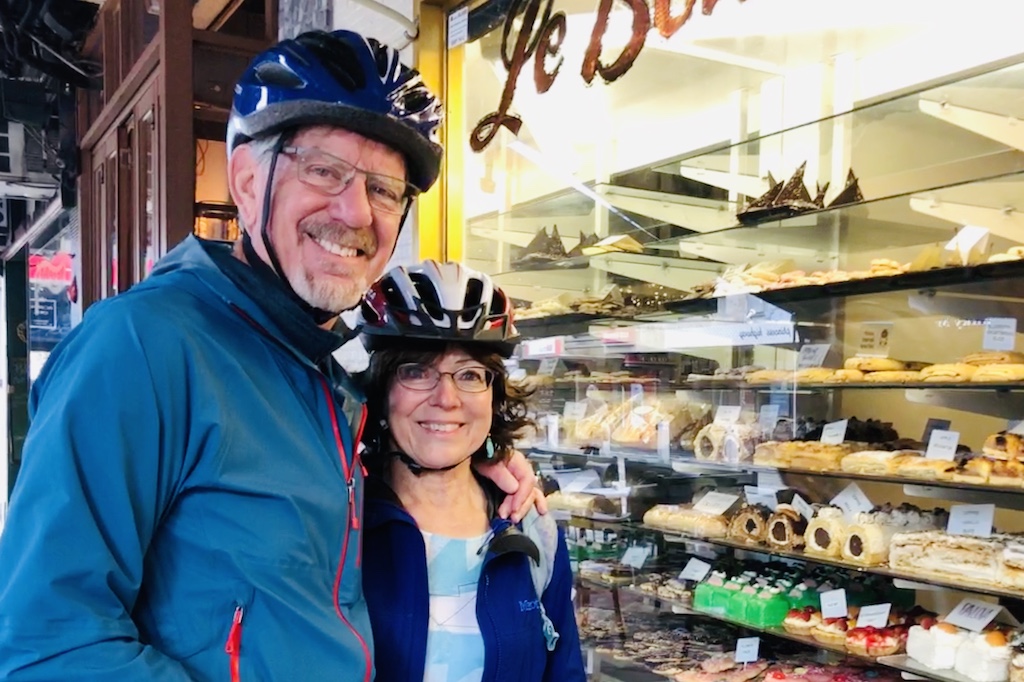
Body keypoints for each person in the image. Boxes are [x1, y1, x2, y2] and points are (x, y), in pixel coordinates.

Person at [0, 30, 541, 681]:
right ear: (247, 180)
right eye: (324, 170)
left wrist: (482, 457)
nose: (356, 212)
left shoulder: (321, 369)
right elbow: (48, 644)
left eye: (384, 189)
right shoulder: (141, 346)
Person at [357, 260, 586, 682]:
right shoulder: (341, 521)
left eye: (469, 374)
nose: (446, 398)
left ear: (493, 396)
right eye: (416, 371)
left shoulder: (532, 528)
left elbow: (564, 673)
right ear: (381, 389)